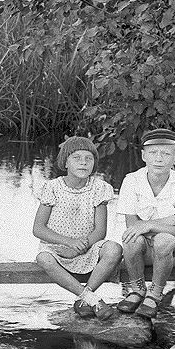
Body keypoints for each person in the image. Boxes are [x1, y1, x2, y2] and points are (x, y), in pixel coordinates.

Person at [115, 128, 175, 319]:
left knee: (164, 240)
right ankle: (138, 290)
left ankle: (155, 294)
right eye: (153, 153)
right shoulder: (132, 181)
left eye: (166, 154)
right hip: (144, 248)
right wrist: (171, 220)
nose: (159, 159)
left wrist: (148, 225)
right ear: (143, 156)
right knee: (130, 241)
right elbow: (132, 228)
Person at [31, 135, 123, 319]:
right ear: (65, 162)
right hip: (57, 249)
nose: (83, 163)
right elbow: (38, 229)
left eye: (88, 159)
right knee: (43, 259)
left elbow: (100, 231)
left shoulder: (100, 188)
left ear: (94, 164)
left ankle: (85, 298)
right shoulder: (52, 187)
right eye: (77, 158)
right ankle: (90, 298)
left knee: (114, 249)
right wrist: (69, 243)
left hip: (87, 247)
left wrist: (80, 247)